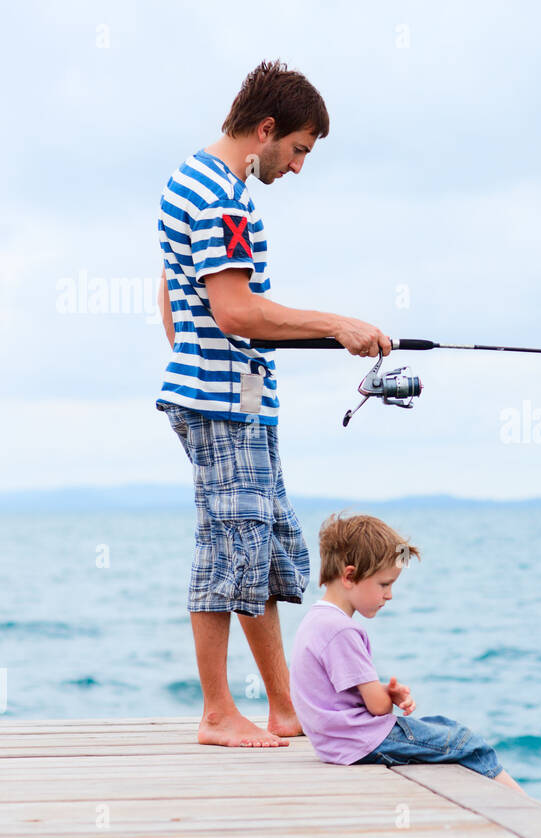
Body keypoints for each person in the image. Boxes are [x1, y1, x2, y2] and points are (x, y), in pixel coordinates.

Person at [155, 59, 391, 748]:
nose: (296, 168)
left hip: (231, 396)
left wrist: (228, 344)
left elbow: (178, 308)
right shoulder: (223, 198)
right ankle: (218, 714)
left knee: (254, 549)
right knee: (226, 552)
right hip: (223, 404)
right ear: (266, 129)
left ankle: (283, 707)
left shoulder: (188, 178)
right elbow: (233, 309)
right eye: (297, 150)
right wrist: (335, 324)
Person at [290, 512, 541, 823]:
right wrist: (390, 697)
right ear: (349, 576)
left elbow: (339, 692)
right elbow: (376, 708)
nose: (389, 595)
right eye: (384, 584)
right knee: (465, 743)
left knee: (441, 727)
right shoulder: (343, 630)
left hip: (335, 742)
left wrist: (384, 691)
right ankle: (539, 816)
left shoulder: (316, 621)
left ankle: (524, 810)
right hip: (359, 741)